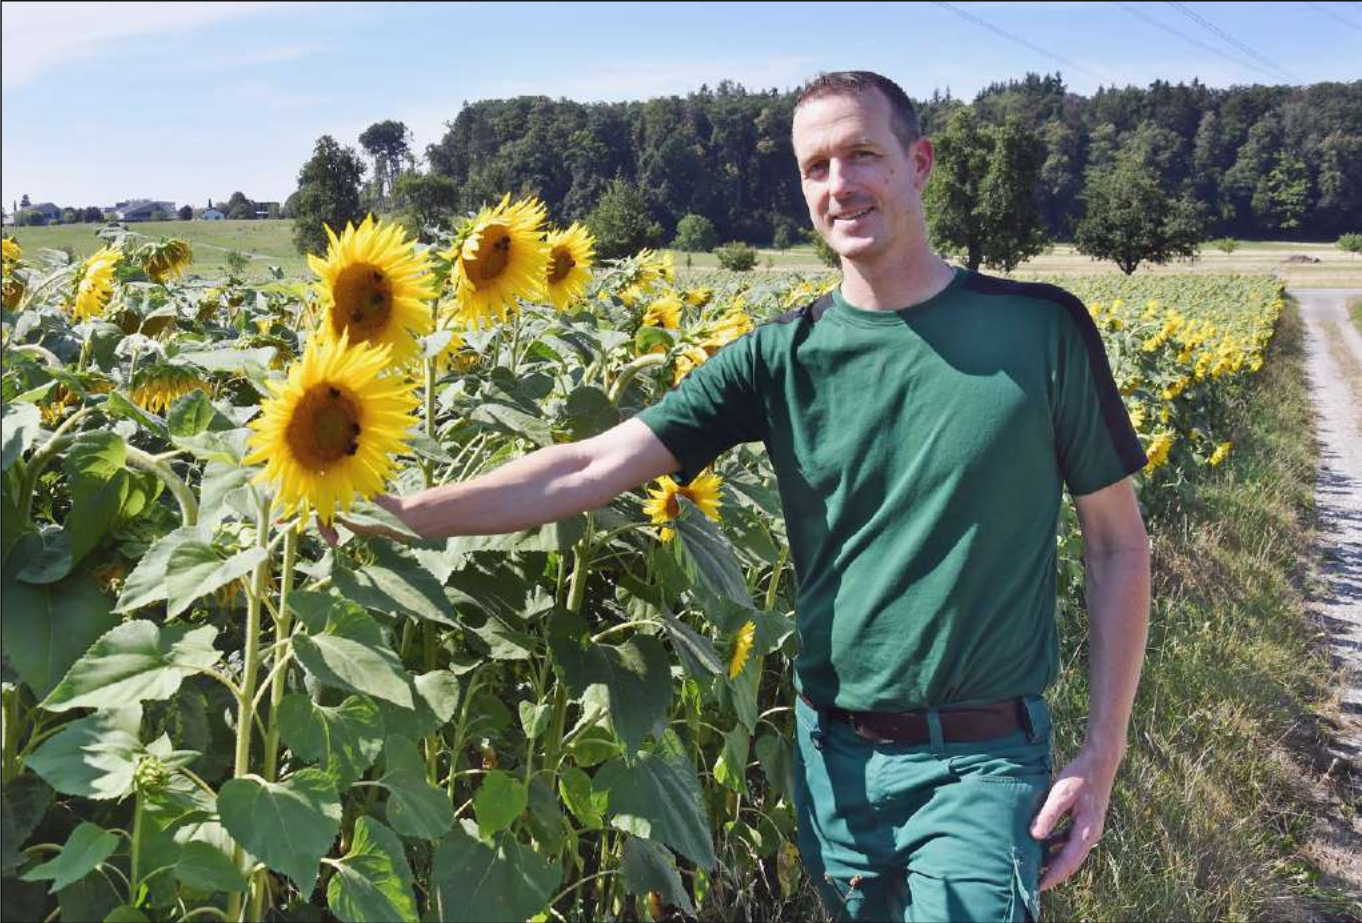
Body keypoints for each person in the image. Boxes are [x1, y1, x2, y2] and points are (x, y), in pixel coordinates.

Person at [336, 70, 1151, 923]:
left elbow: (1117, 544)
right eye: (816, 167)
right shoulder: (779, 358)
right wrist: (404, 513)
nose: (841, 185)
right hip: (835, 758)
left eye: (863, 155)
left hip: (983, 760)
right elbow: (587, 466)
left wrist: (1103, 749)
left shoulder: (1038, 330)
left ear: (919, 163)